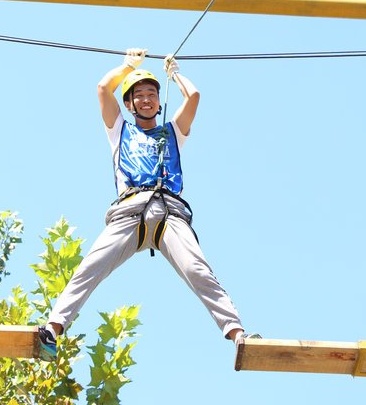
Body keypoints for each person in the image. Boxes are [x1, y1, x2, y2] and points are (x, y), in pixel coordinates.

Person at [38, 48, 255, 361]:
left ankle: (238, 335)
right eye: (138, 95)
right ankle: (53, 328)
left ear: (159, 101)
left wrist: (175, 75)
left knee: (197, 270)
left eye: (152, 94)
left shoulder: (172, 133)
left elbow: (193, 96)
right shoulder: (120, 130)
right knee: (91, 267)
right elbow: (102, 89)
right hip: (130, 211)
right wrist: (128, 67)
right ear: (129, 103)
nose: (146, 99)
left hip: (170, 214)